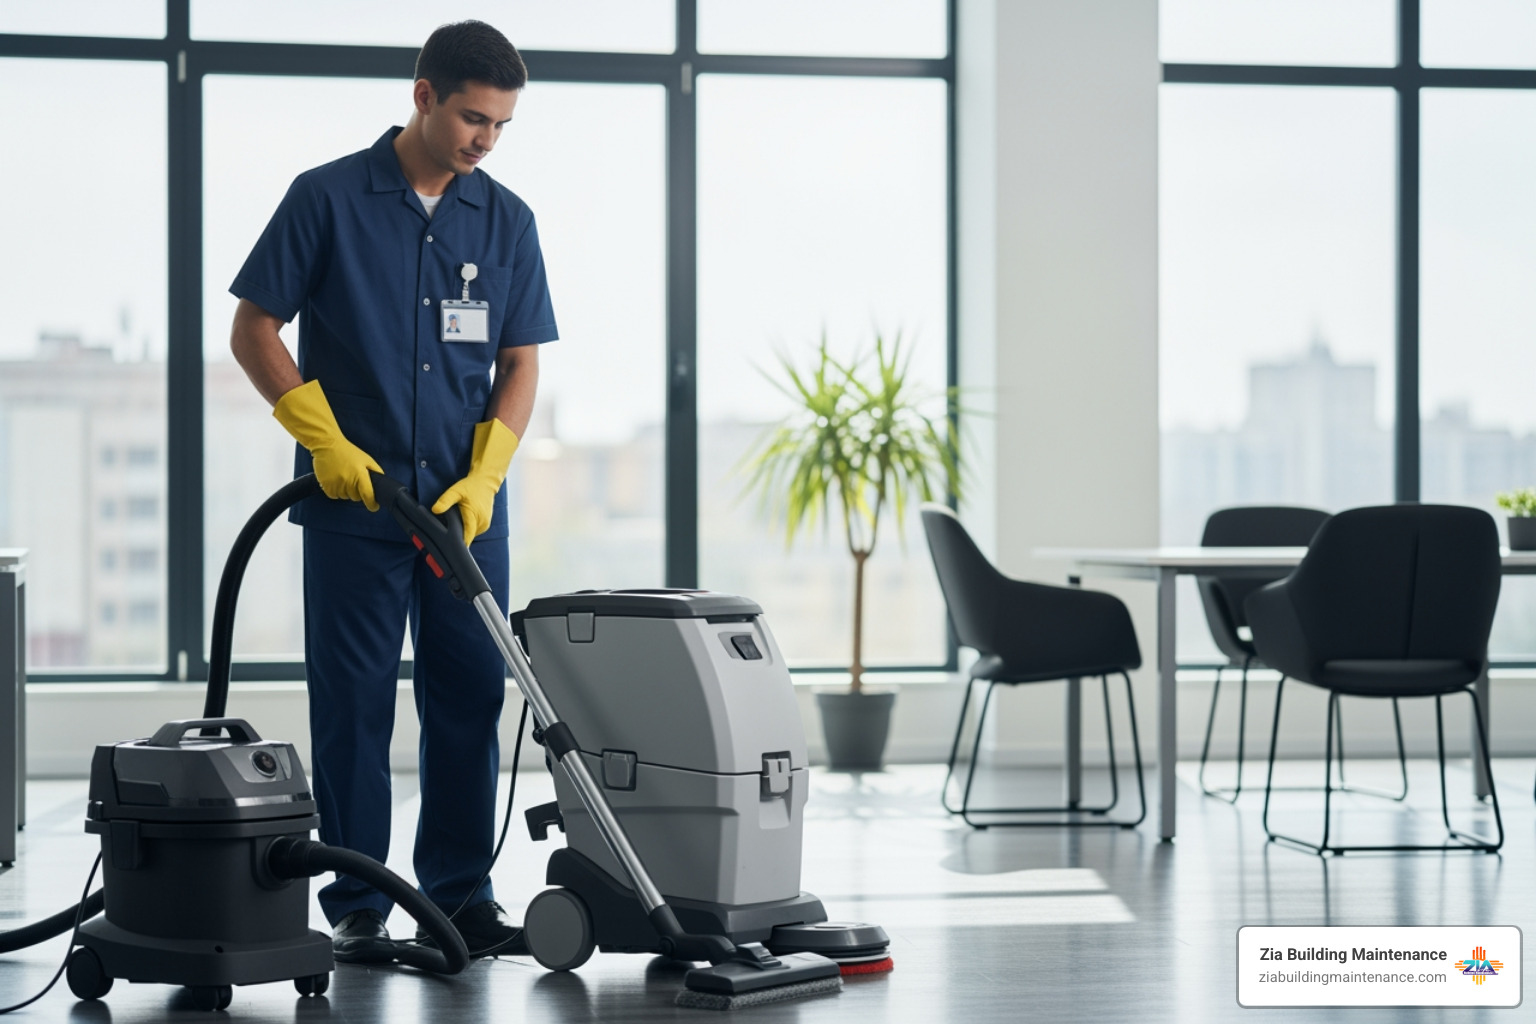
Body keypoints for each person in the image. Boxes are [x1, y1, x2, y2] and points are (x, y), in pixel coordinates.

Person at [227, 20, 556, 963]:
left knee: (467, 695)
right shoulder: (326, 197)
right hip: (352, 505)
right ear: (423, 94)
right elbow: (255, 329)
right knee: (355, 702)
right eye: (470, 117)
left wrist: (489, 469)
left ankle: (460, 896)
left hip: (463, 512)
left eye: (499, 125)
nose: (484, 140)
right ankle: (360, 901)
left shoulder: (506, 220)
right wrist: (319, 437)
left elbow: (521, 360)